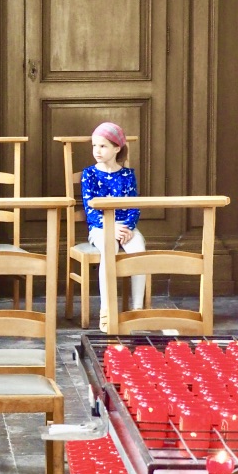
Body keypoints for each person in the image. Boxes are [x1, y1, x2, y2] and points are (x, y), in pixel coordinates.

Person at [80, 121, 146, 332]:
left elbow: (133, 205)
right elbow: (90, 209)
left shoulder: (127, 175)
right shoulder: (89, 174)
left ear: (117, 148)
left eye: (103, 146)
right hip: (100, 228)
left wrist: (127, 228)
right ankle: (107, 312)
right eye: (94, 146)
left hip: (126, 228)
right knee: (110, 250)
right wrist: (110, 229)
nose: (97, 151)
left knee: (139, 251)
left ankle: (137, 310)